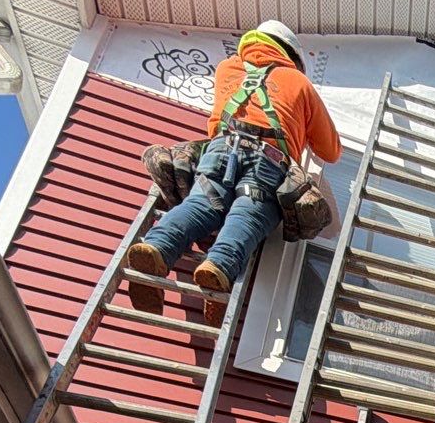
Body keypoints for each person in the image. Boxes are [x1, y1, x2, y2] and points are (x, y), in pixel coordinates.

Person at [127, 20, 342, 322]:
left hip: (219, 148)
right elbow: (331, 151)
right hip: (268, 159)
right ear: (292, 57)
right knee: (248, 214)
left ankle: (156, 247)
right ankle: (218, 267)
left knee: (201, 205)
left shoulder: (227, 69)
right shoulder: (299, 83)